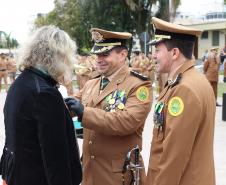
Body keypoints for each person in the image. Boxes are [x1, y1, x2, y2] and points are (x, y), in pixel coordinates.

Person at [65, 28, 153, 185]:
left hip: (118, 175)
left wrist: (85, 112)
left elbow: (127, 121)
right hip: (89, 173)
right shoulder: (92, 83)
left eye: (105, 54)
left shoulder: (138, 85)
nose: (99, 59)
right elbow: (71, 105)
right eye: (97, 54)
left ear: (123, 55)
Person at [0, 25, 82, 185]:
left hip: (17, 176)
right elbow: (56, 160)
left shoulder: (21, 82)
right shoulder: (45, 93)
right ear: (58, 56)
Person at [145, 17, 216, 185]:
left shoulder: (183, 90)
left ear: (175, 53)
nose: (154, 55)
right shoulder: (196, 80)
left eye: (157, 49)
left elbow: (173, 159)